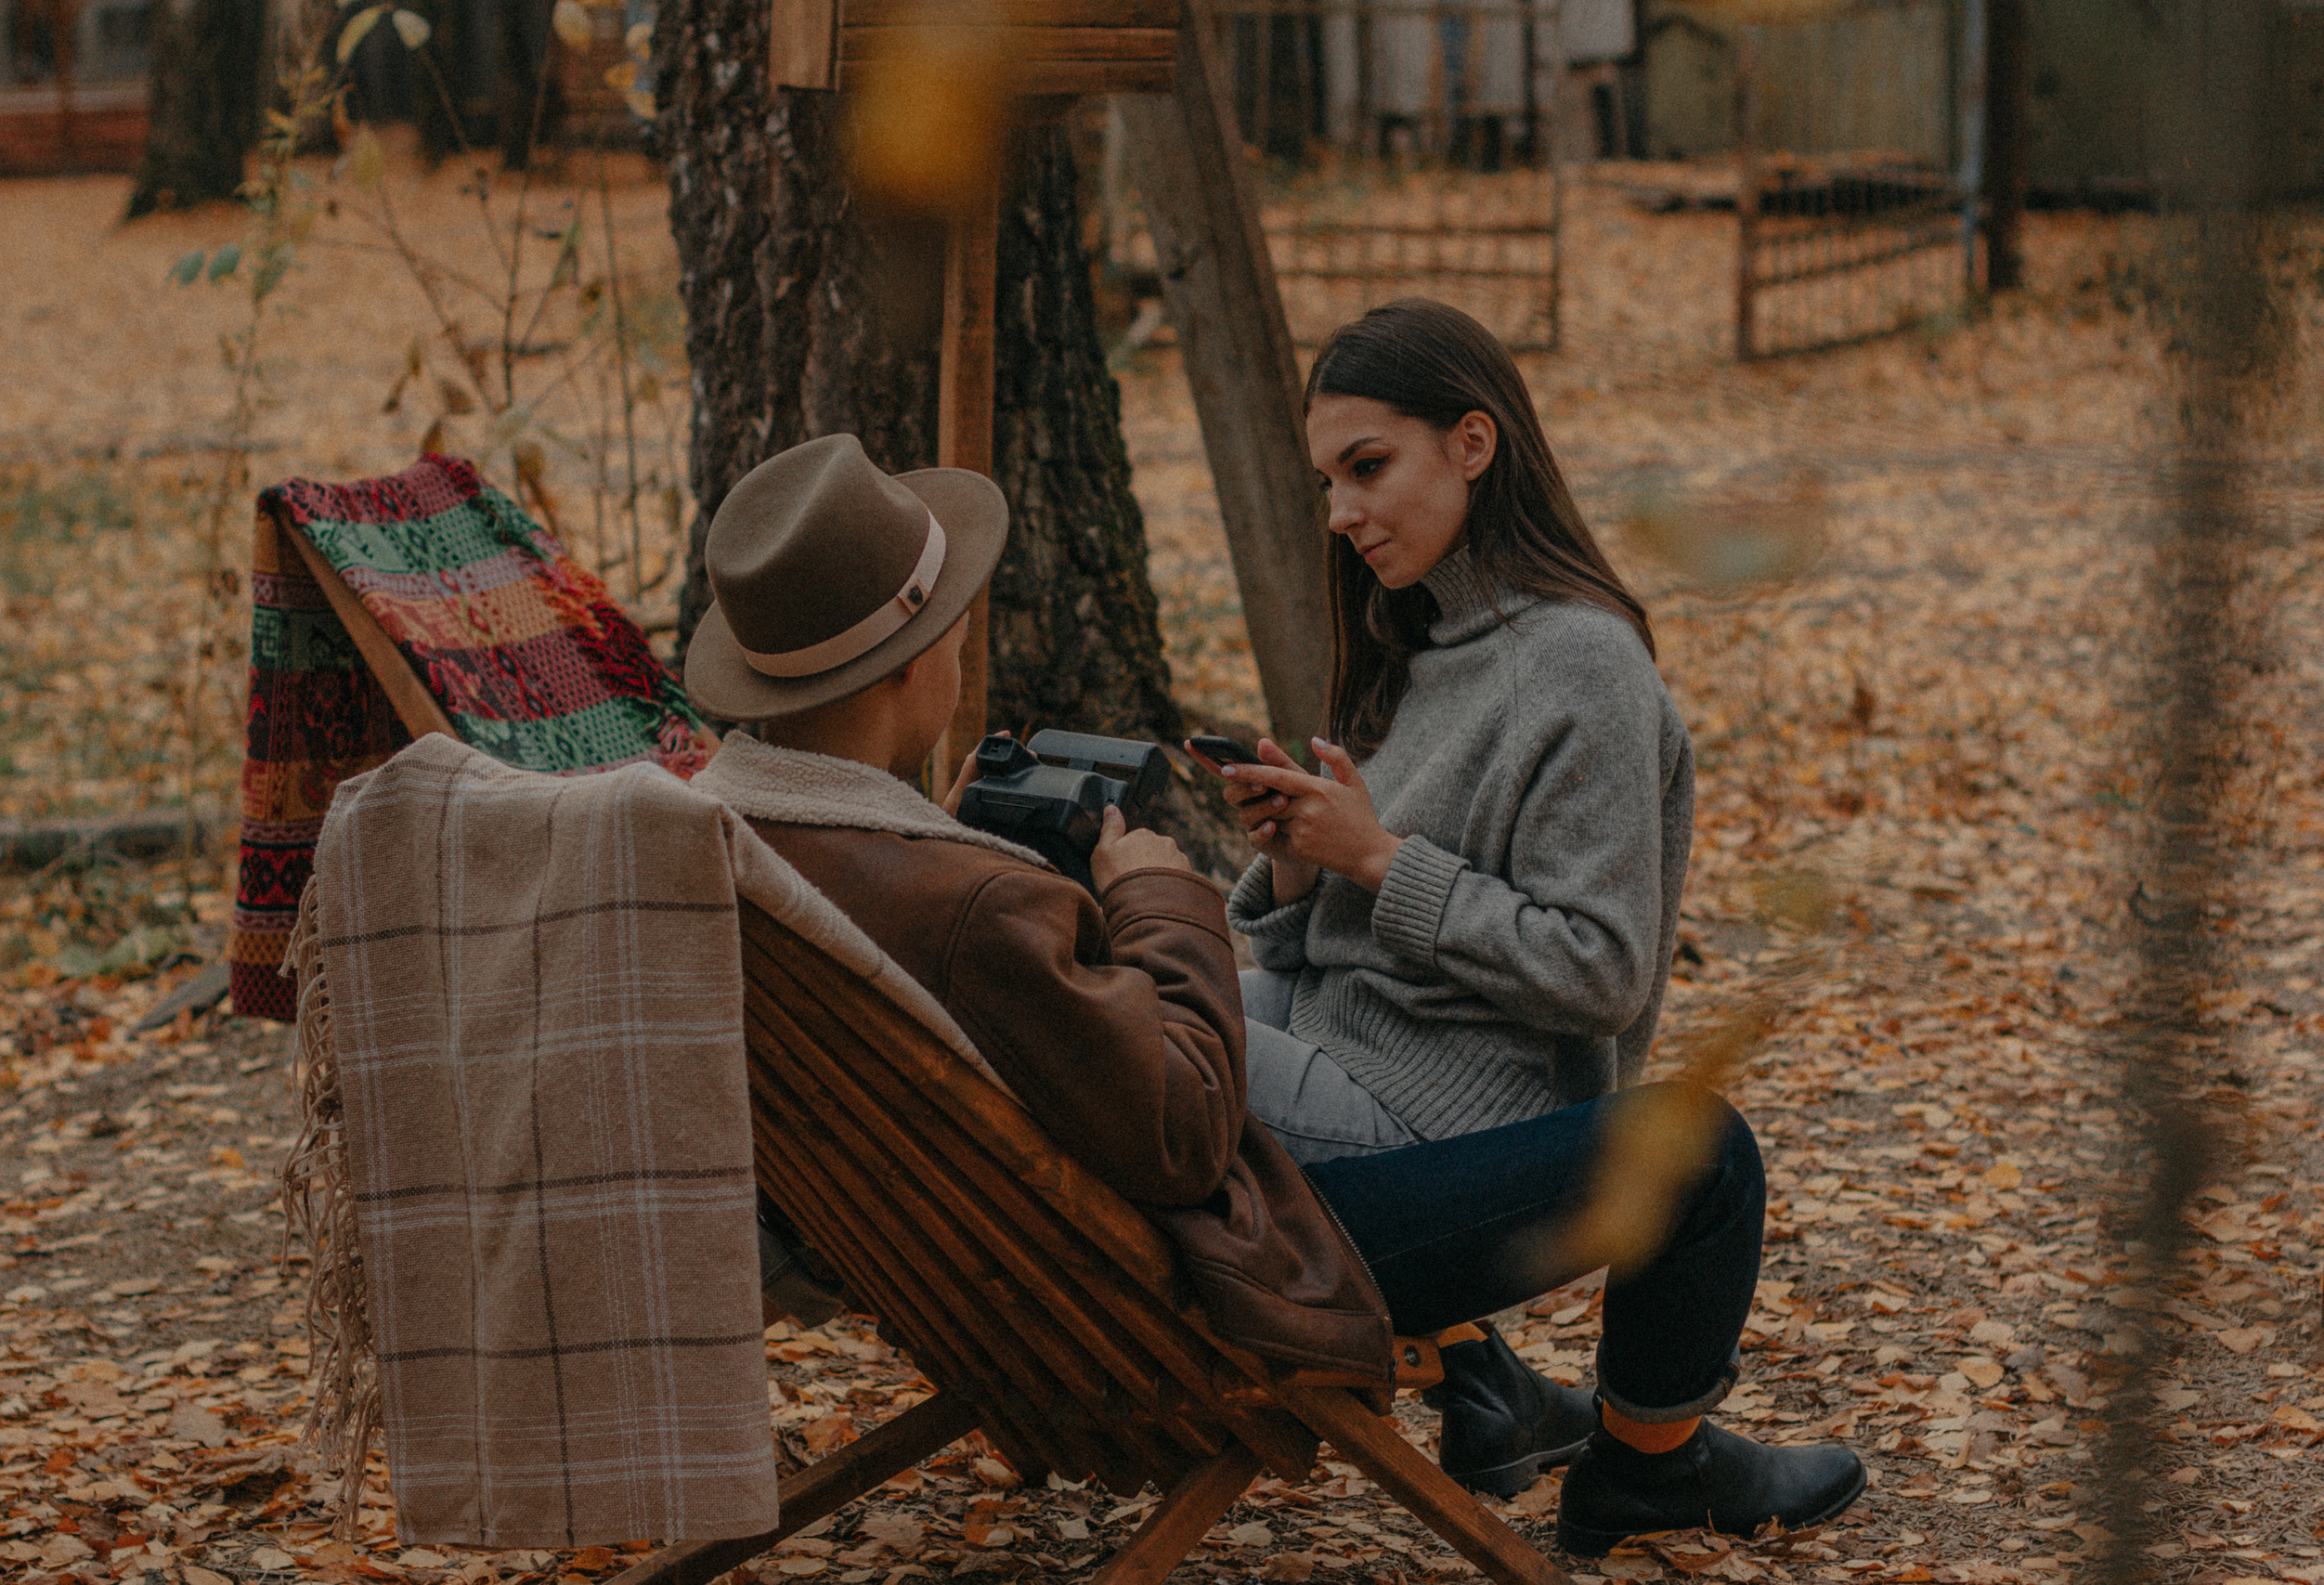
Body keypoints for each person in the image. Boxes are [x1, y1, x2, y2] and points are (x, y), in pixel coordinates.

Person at [683, 432, 1864, 1553]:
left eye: (1363, 467)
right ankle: (1651, 1468)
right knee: (1702, 1149)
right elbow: (1185, 1123)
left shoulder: (741, 846)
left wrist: (1311, 872)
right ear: (910, 660)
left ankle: (1481, 1379)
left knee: (1301, 1028)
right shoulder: (962, 904)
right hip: (1230, 1267)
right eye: (948, 626)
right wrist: (1155, 899)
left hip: (1019, 1269)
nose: (1342, 511)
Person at [1201, 298, 1696, 1496]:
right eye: (1328, 480)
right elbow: (1325, 946)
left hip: (1458, 1124)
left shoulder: (1582, 663)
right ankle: (1491, 1385)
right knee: (1123, 985)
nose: (1342, 513)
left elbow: (1601, 973)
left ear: (1472, 445)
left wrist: (1377, 860)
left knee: (1108, 1034)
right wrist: (1305, 860)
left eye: (1367, 468)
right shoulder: (1416, 647)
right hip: (1341, 1052)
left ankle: (1509, 1387)